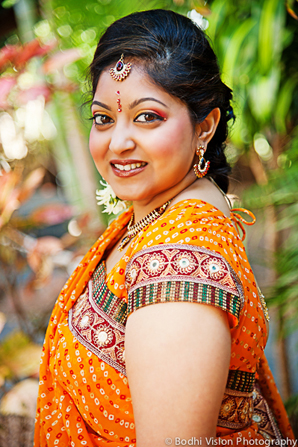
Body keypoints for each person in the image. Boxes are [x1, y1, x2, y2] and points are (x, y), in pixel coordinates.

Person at [34, 9, 295, 447]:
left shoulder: (177, 267)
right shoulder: (166, 211)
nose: (118, 142)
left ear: (205, 127)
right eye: (103, 118)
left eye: (147, 117)